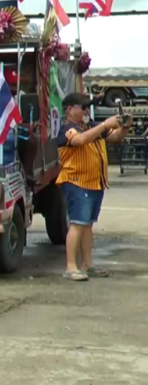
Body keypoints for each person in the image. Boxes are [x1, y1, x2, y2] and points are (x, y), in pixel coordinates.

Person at [57, 92, 132, 281]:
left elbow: (115, 137)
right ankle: (71, 266)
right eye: (81, 107)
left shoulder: (90, 127)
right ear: (69, 109)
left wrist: (125, 126)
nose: (84, 110)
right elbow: (79, 141)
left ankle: (87, 265)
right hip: (76, 182)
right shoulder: (67, 128)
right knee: (77, 224)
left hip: (94, 182)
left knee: (87, 225)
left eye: (85, 107)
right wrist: (104, 125)